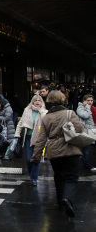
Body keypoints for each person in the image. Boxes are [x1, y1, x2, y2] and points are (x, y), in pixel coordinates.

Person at [30, 90, 83, 218]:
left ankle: (60, 202)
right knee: (71, 177)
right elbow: (80, 128)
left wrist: (36, 156)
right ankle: (67, 199)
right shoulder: (70, 113)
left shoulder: (47, 117)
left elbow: (41, 138)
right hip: (70, 148)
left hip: (54, 150)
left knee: (59, 177)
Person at [14, 95, 48, 186]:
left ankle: (34, 178)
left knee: (36, 159)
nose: (37, 102)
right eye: (35, 100)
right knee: (29, 159)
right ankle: (31, 174)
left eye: (39, 100)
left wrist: (41, 111)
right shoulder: (27, 110)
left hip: (39, 138)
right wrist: (17, 135)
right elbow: (21, 123)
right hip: (28, 137)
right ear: (32, 102)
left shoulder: (44, 112)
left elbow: (46, 122)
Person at [75, 94, 96, 173]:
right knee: (86, 150)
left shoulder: (93, 108)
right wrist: (87, 107)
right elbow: (85, 115)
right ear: (84, 101)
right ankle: (87, 165)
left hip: (93, 131)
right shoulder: (80, 108)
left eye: (91, 100)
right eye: (88, 100)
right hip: (86, 132)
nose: (90, 102)